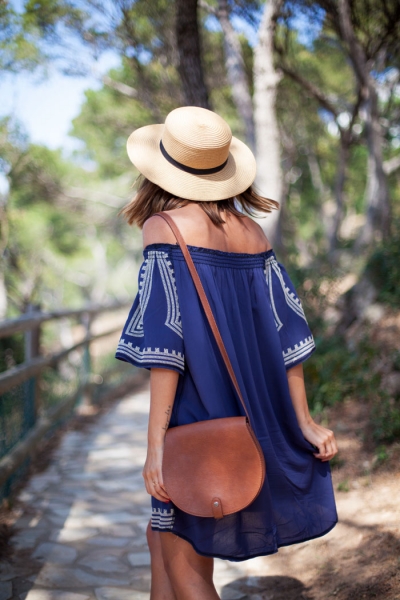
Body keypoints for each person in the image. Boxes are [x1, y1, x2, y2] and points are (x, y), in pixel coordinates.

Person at [115, 106, 338, 600]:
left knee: (186, 567)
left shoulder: (163, 228)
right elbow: (289, 334)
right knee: (160, 540)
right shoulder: (253, 233)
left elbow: (165, 349)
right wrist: (302, 421)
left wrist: (156, 447)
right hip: (255, 412)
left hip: (196, 417)